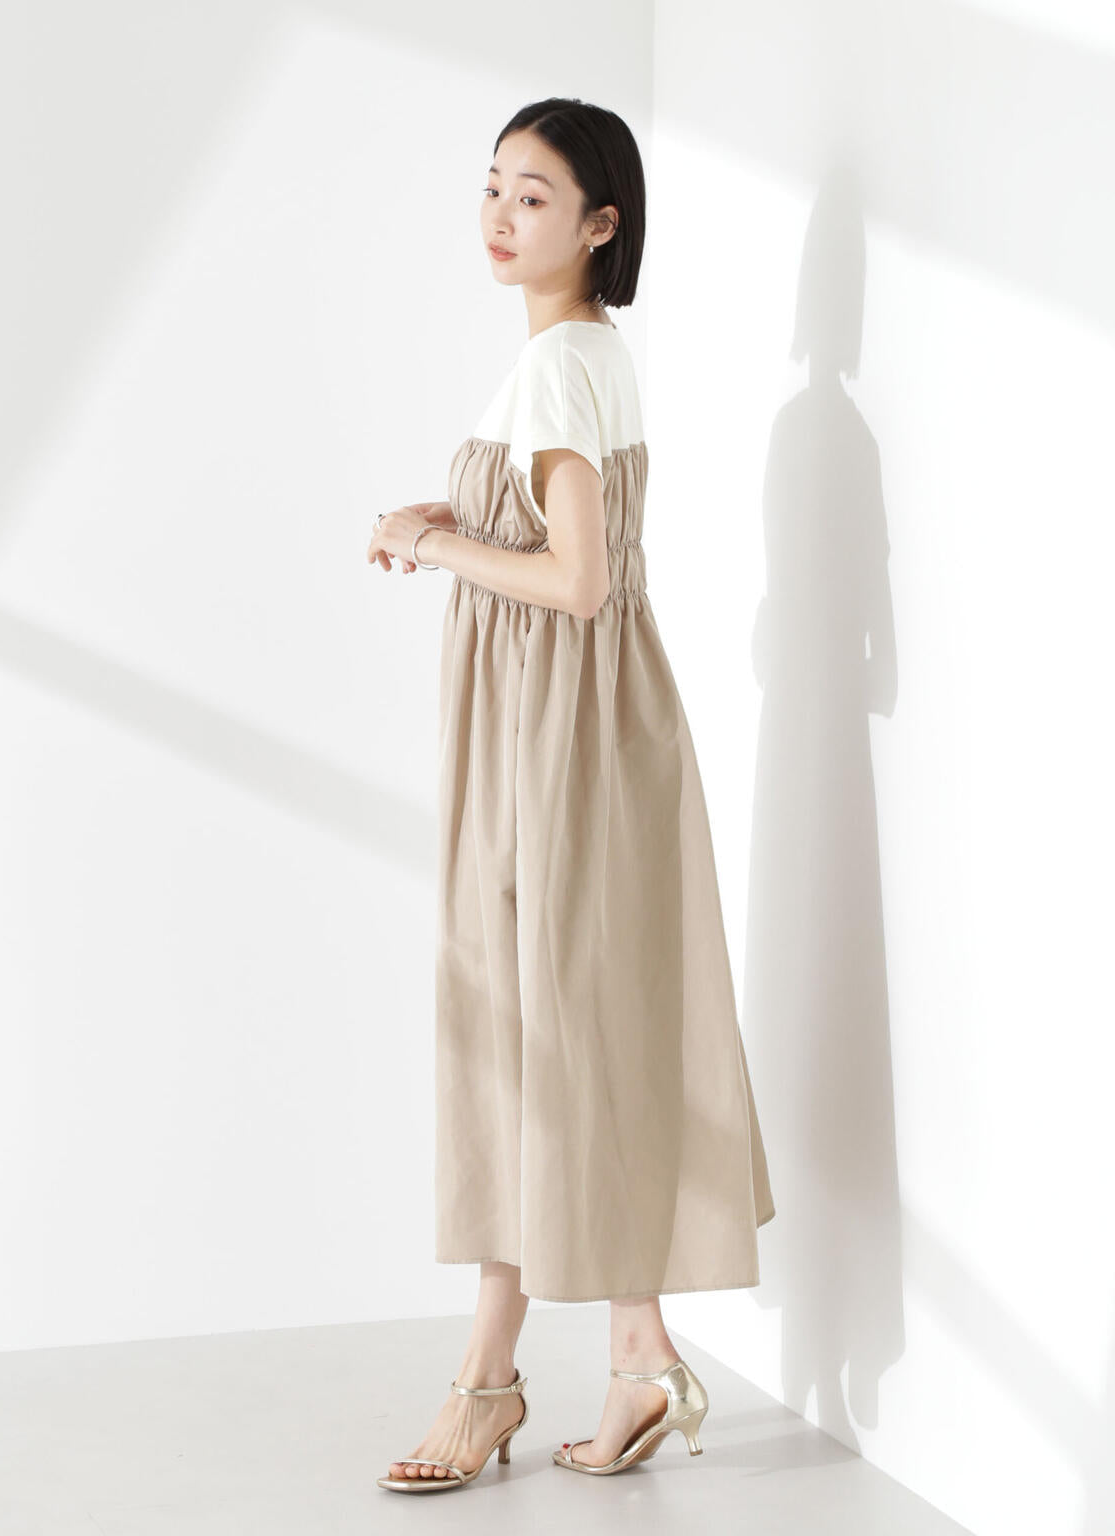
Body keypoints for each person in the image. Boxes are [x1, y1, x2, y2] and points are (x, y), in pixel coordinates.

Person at [366, 97, 775, 1493]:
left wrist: (434, 550)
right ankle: (636, 1354)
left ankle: (491, 1381)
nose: (498, 215)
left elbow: (578, 580)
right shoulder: (588, 354)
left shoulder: (554, 368)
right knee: (568, 1032)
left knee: (522, 1033)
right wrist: (455, 519)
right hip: (592, 727)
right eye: (492, 185)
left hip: (545, 733)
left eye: (533, 197)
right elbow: (573, 539)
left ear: (602, 224)